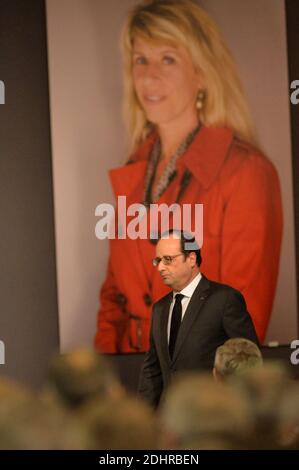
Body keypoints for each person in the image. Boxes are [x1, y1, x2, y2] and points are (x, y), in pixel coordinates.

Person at [95, 0, 282, 354]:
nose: (149, 76)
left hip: (200, 394)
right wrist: (105, 382)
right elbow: (113, 298)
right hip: (130, 385)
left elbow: (241, 325)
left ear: (202, 72)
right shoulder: (135, 168)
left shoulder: (247, 173)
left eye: (168, 59)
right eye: (141, 59)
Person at [138, 230, 258, 408]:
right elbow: (153, 369)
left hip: (212, 413)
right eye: (158, 260)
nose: (160, 267)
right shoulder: (159, 308)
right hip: (169, 419)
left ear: (192, 259)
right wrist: (143, 415)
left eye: (168, 259)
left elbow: (248, 360)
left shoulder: (224, 299)